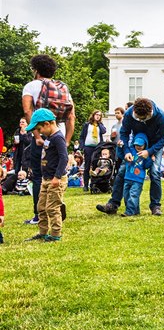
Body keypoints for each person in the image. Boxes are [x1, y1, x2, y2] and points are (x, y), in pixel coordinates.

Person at [22, 54, 75, 225]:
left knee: (39, 175)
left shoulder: (31, 86)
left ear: (36, 70)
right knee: (56, 171)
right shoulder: (62, 87)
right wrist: (66, 141)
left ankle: (40, 215)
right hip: (57, 133)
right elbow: (71, 116)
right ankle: (56, 201)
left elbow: (28, 111)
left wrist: (37, 136)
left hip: (42, 136)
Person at [95, 98, 164, 216]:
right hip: (136, 144)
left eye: (142, 119)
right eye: (137, 118)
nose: (139, 120)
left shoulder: (160, 116)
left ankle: (155, 206)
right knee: (122, 171)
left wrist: (149, 151)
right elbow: (124, 133)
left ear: (150, 113)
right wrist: (127, 151)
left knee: (154, 173)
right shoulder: (130, 113)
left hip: (155, 145)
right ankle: (113, 204)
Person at [24, 109, 69, 242]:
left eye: (40, 128)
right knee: (41, 207)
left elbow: (64, 158)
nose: (40, 132)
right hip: (46, 179)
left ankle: (56, 234)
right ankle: (43, 232)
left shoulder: (58, 138)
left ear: (48, 123)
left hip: (56, 180)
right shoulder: (49, 138)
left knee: (52, 208)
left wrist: (57, 177)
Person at [121, 133, 153, 217]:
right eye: (136, 145)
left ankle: (129, 211)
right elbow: (121, 154)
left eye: (140, 145)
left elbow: (146, 166)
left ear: (145, 145)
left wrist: (150, 160)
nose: (138, 147)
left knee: (133, 194)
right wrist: (119, 147)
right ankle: (135, 210)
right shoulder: (130, 151)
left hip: (138, 180)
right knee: (126, 195)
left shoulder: (145, 154)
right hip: (127, 177)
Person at [79, 110, 107, 191]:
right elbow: (82, 136)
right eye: (96, 114)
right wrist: (82, 146)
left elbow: (104, 131)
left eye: (99, 115)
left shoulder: (100, 126)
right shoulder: (87, 125)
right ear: (93, 115)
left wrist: (99, 124)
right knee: (87, 166)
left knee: (96, 165)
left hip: (97, 147)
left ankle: (93, 184)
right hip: (88, 147)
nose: (98, 116)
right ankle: (85, 185)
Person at [110, 107, 126, 175]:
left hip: (124, 147)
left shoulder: (125, 124)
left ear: (122, 114)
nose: (116, 115)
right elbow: (112, 138)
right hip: (116, 148)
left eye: (118, 113)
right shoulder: (114, 126)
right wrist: (112, 137)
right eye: (115, 113)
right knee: (117, 165)